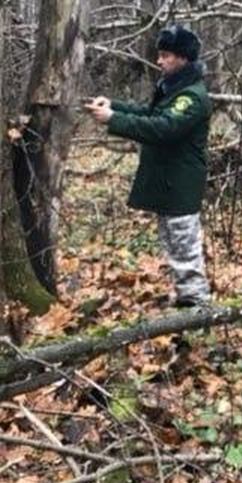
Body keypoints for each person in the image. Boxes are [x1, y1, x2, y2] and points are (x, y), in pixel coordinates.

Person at [85, 24, 212, 307]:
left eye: (166, 55)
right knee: (174, 251)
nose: (159, 60)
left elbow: (162, 128)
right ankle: (187, 306)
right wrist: (114, 107)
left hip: (180, 189)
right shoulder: (173, 90)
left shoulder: (191, 97)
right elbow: (149, 113)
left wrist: (112, 120)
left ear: (183, 58)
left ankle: (198, 312)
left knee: (186, 257)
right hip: (169, 188)